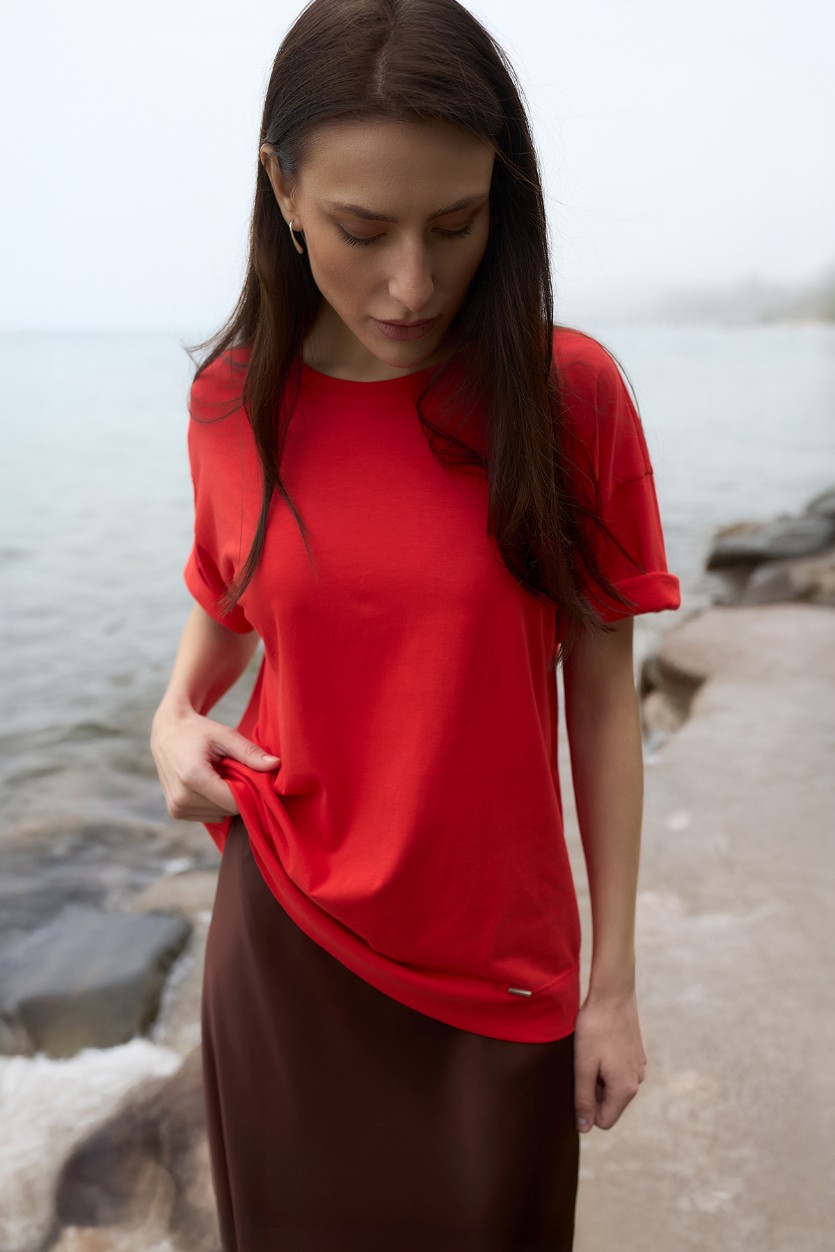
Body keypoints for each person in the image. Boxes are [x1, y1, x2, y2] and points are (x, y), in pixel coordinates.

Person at [150, 0, 681, 1247]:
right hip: (286, 935)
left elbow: (603, 695)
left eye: (455, 224)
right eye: (362, 228)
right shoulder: (231, 400)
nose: (413, 283)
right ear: (283, 189)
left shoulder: (568, 396)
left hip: (498, 968)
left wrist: (612, 986)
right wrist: (172, 718)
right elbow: (229, 596)